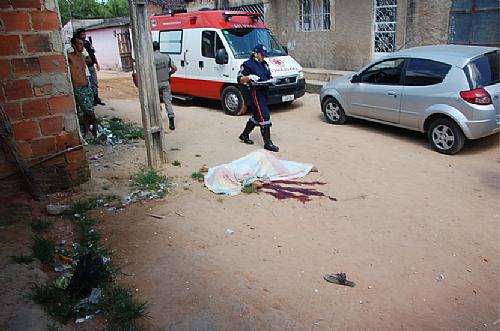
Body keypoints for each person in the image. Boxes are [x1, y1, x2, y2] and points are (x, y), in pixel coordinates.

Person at [237, 44, 279, 152]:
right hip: (256, 92)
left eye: (264, 55)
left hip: (264, 91)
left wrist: (272, 80)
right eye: (261, 54)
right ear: (255, 54)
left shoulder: (264, 64)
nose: (263, 57)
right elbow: (239, 79)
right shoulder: (248, 64)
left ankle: (244, 135)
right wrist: (249, 77)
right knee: (264, 115)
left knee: (256, 116)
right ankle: (267, 143)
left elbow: (268, 76)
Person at [68, 37, 97, 140]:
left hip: (86, 86)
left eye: (82, 44)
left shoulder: (82, 56)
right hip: (78, 88)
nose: (81, 46)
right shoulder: (70, 57)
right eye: (79, 44)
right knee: (89, 110)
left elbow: (90, 60)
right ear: (74, 45)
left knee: (87, 111)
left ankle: (87, 131)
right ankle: (95, 128)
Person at [76, 28, 105, 106]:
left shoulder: (87, 43)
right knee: (88, 84)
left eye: (85, 34)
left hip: (91, 65)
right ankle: (90, 100)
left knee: (95, 82)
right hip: (85, 67)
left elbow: (92, 54)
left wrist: (97, 63)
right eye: (82, 34)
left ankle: (96, 98)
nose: (84, 36)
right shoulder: (77, 44)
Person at [153, 41, 177, 130]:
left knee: (156, 102)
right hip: (165, 82)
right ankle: (171, 123)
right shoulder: (166, 57)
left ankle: (158, 120)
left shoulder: (150, 58)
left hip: (155, 84)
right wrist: (169, 73)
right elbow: (175, 68)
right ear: (159, 47)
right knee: (168, 102)